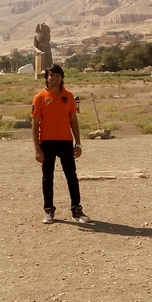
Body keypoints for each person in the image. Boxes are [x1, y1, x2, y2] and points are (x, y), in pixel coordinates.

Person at [31, 64, 90, 224]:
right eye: (52, 75)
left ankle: (76, 210)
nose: (55, 78)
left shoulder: (69, 96)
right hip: (47, 142)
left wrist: (78, 144)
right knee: (47, 177)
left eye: (58, 75)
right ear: (47, 78)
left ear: (62, 77)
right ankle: (48, 210)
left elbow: (74, 121)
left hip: (65, 141)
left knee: (71, 176)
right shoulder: (40, 97)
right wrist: (37, 149)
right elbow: (35, 124)